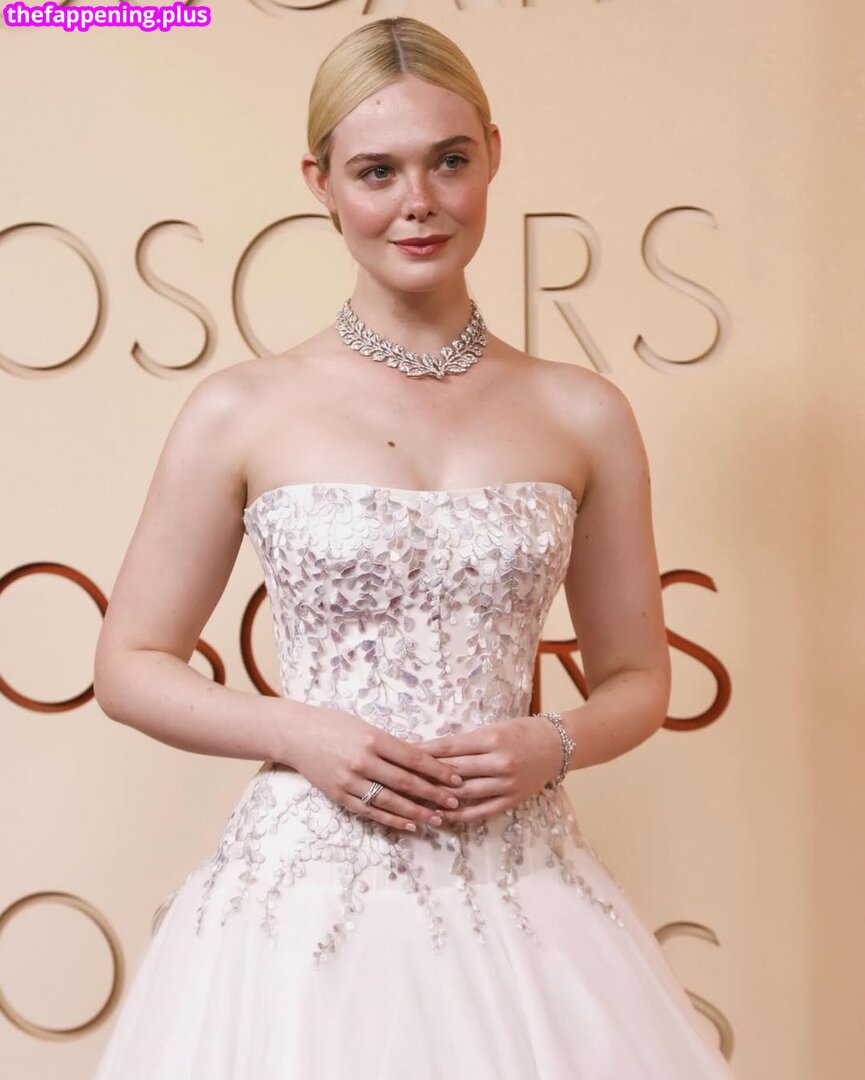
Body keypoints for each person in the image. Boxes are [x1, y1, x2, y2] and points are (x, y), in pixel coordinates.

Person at [91, 16, 736, 1079]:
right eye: (376, 171)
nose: (419, 202)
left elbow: (637, 678)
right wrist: (299, 733)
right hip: (303, 903)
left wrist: (552, 743)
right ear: (320, 182)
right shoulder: (241, 410)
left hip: (525, 890)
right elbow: (128, 663)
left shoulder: (582, 413)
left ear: (492, 154)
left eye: (449, 161)